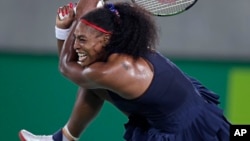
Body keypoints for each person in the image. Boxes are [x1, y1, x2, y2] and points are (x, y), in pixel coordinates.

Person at [19, 1, 231, 141]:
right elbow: (76, 64)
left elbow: (67, 67)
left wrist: (63, 30)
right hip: (174, 112)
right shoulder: (118, 46)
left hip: (186, 131)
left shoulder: (118, 70)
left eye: (82, 39)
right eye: (76, 39)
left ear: (106, 39)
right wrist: (76, 26)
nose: (75, 45)